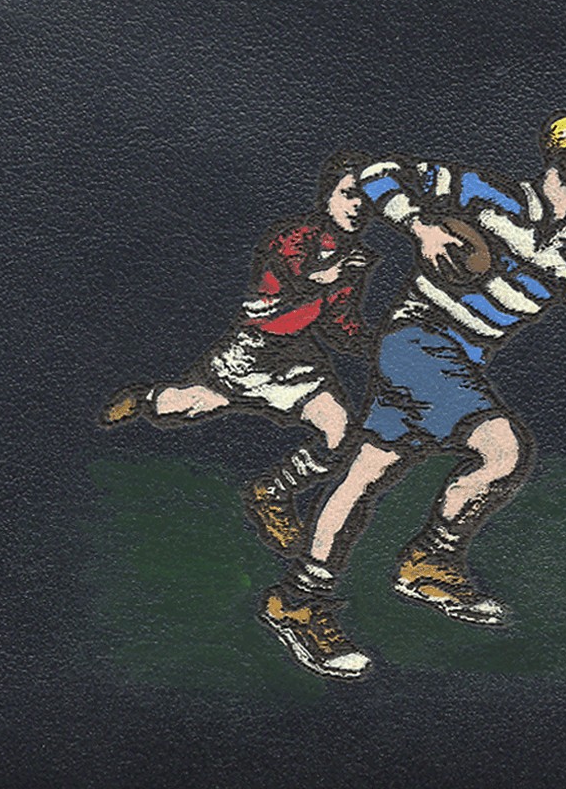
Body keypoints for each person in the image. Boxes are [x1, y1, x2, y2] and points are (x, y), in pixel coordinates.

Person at [259, 112, 566, 679]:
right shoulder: (485, 194)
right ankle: (429, 559)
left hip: (455, 361)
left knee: (365, 474)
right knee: (503, 450)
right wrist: (421, 227)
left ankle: (297, 599)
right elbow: (379, 173)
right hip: (416, 340)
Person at [99, 152, 378, 553]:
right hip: (252, 350)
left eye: (368, 199)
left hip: (297, 356)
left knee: (339, 432)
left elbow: (338, 322)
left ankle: (272, 494)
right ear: (327, 195)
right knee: (191, 405)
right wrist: (326, 276)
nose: (358, 206)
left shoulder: (355, 260)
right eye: (349, 194)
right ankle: (146, 399)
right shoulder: (296, 236)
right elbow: (283, 283)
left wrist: (377, 344)